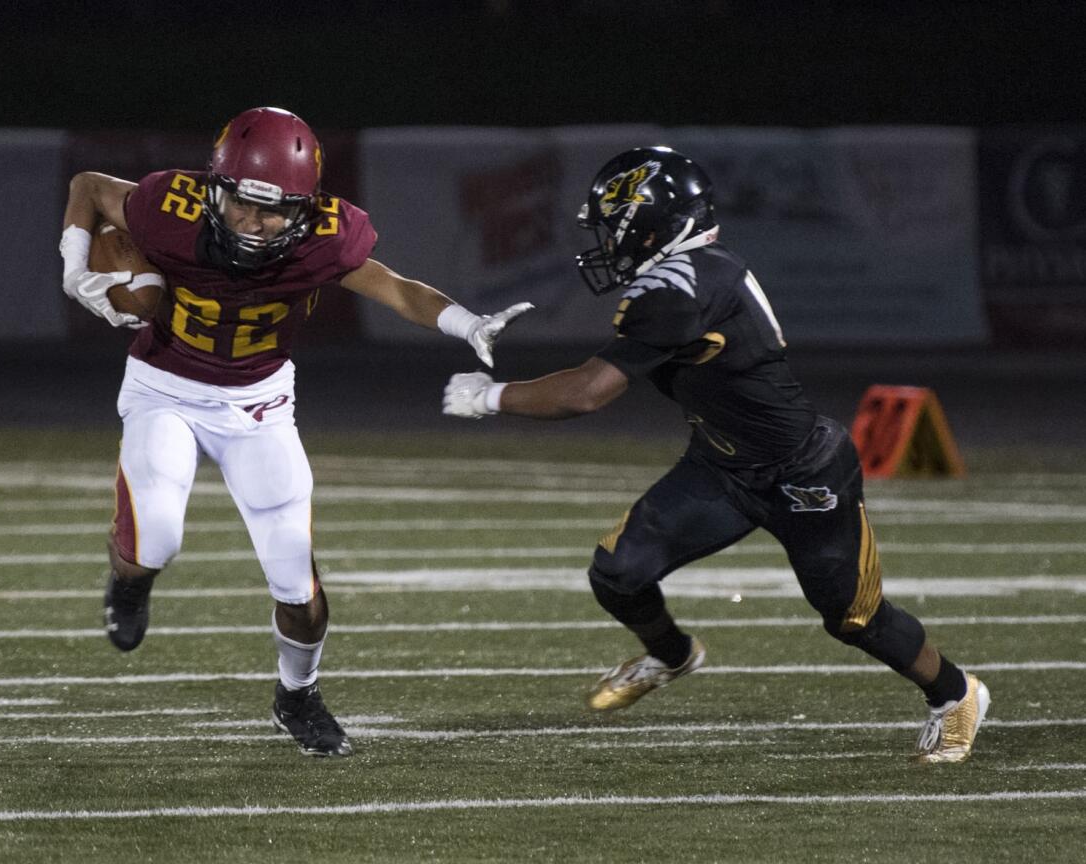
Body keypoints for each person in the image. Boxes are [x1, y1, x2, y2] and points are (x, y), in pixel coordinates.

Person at [442, 146, 989, 763]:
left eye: (612, 226)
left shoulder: (682, 287)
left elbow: (588, 393)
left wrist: (490, 397)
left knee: (854, 619)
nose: (606, 241)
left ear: (650, 221)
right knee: (618, 573)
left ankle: (956, 694)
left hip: (801, 472)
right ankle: (673, 655)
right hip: (722, 463)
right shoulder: (691, 271)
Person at [60, 106, 531, 758]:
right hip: (164, 388)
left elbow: (396, 289)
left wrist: (464, 322)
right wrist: (74, 261)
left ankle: (296, 694)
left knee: (296, 585)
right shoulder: (169, 205)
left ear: (306, 208)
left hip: (258, 404)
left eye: (273, 210)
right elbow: (87, 186)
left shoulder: (327, 239)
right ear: (212, 188)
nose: (253, 224)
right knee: (155, 540)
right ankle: (130, 582)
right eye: (241, 205)